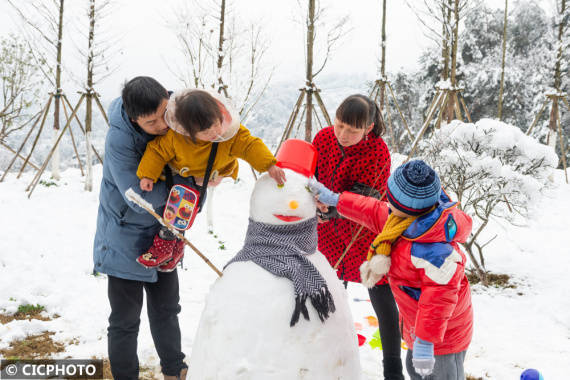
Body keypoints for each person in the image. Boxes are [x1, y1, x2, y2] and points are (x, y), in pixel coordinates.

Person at [310, 160, 474, 380]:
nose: (386, 202)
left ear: (406, 208)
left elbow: (438, 301)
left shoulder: (435, 252)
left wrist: (425, 342)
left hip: (443, 337)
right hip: (417, 327)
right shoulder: (401, 221)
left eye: (391, 200)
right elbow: (369, 208)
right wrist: (335, 199)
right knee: (415, 370)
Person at [93, 77, 191, 380]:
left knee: (166, 309)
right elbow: (137, 198)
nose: (163, 124)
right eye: (151, 122)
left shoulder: (179, 114)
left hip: (164, 235)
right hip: (125, 237)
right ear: (134, 118)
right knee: (125, 320)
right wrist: (182, 189)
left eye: (165, 113)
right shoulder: (119, 140)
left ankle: (175, 371)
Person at [135, 88, 286, 268]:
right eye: (205, 131)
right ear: (188, 131)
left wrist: (269, 164)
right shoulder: (175, 138)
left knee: (187, 209)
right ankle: (169, 247)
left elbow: (249, 145)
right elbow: (156, 151)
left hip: (209, 176)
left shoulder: (230, 132)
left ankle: (171, 247)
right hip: (181, 176)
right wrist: (147, 175)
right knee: (181, 205)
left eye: (216, 123)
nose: (214, 131)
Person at [311, 94, 404, 379]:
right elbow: (309, 175)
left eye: (353, 130)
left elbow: (368, 198)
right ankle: (326, 360)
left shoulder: (377, 152)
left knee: (381, 295)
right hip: (327, 232)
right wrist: (313, 197)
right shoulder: (323, 138)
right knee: (328, 293)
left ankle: (392, 369)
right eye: (340, 126)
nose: (343, 135)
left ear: (369, 127)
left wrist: (332, 207)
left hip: (364, 232)